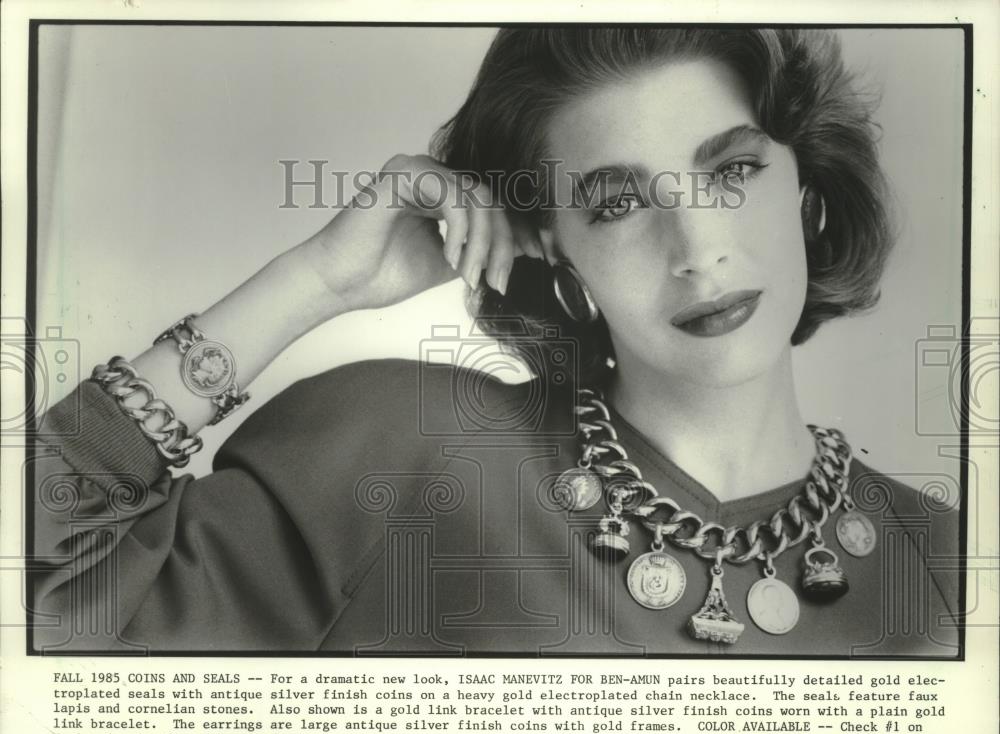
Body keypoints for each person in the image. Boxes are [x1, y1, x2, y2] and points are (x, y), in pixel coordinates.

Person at [31, 27, 961, 656]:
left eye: (734, 170)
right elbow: (37, 603)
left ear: (807, 185)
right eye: (618, 202)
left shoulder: (948, 570)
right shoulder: (407, 448)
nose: (698, 250)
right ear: (552, 244)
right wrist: (316, 282)